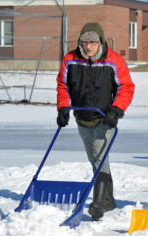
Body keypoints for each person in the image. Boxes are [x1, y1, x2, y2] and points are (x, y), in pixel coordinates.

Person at [56, 22, 135, 221]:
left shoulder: (113, 60)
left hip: (104, 118)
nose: (88, 46)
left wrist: (116, 110)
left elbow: (126, 87)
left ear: (100, 41)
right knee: (94, 159)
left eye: (92, 42)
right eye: (85, 42)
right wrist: (63, 107)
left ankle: (99, 203)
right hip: (82, 117)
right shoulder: (70, 59)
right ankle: (108, 199)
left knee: (100, 160)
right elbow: (62, 85)